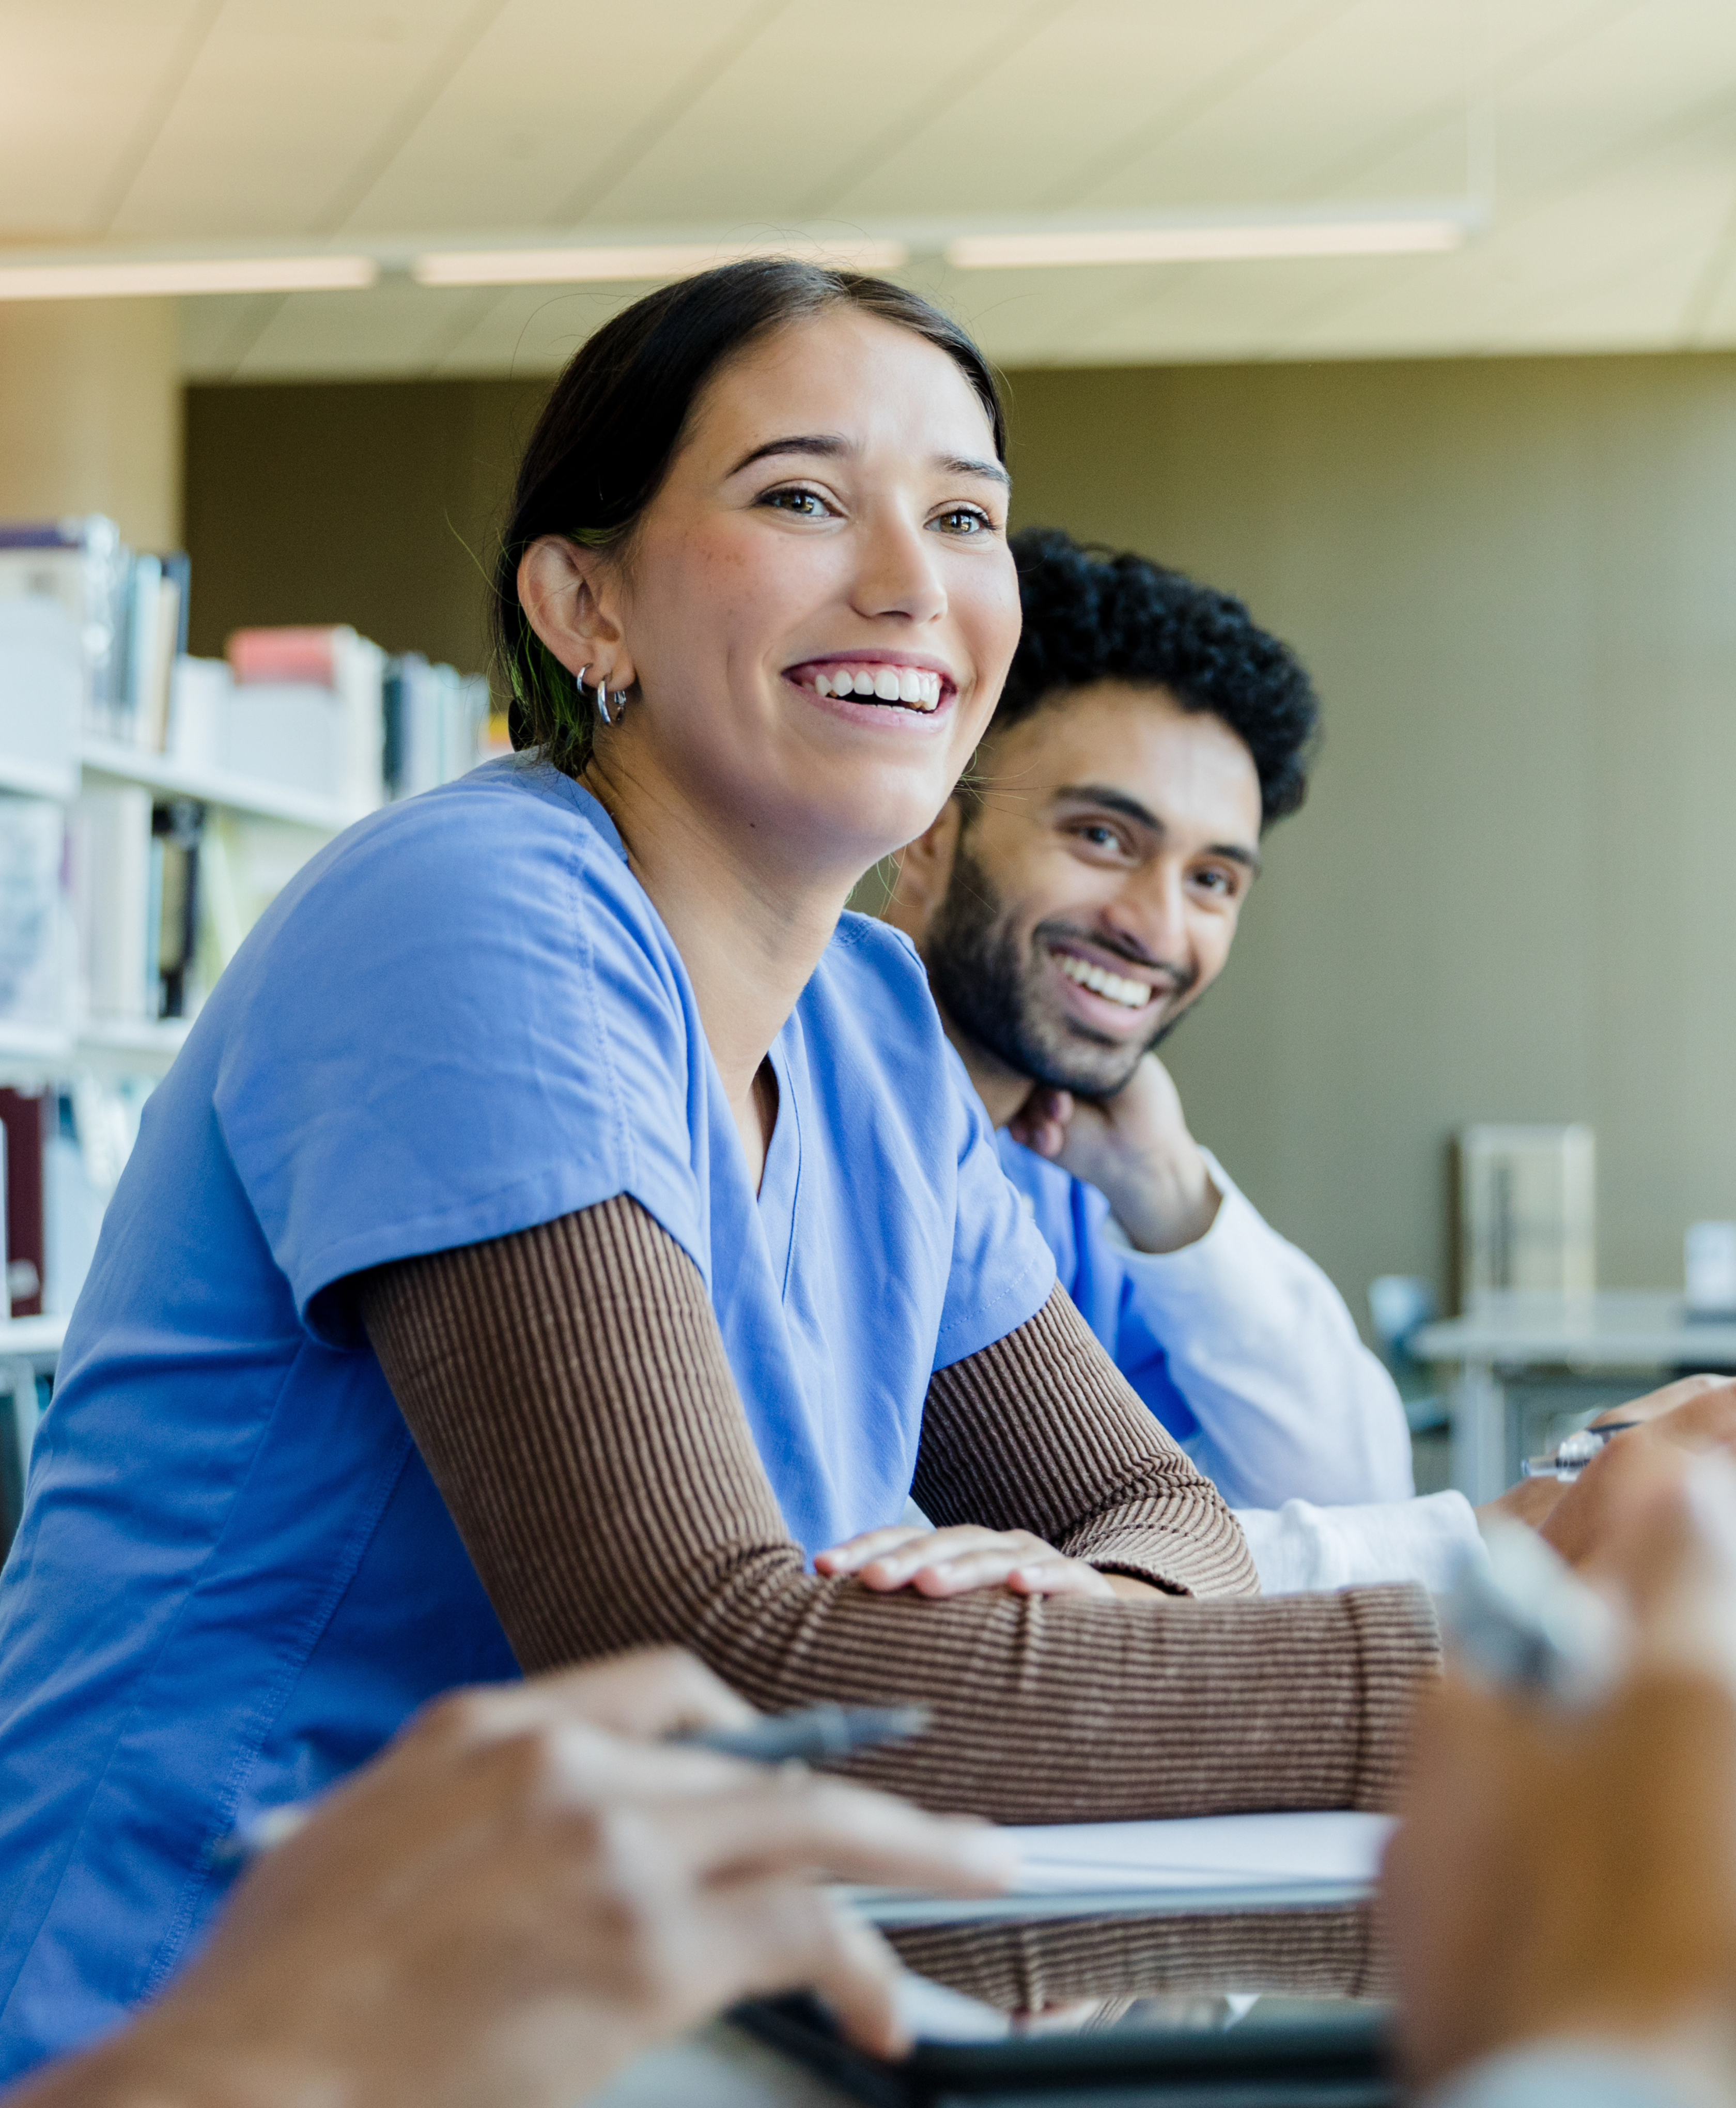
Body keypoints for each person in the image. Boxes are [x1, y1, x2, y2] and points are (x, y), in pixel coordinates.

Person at [0, 259, 1443, 2082]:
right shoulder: (480, 915)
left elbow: (1163, 1518)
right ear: (583, 598)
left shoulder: (870, 1027)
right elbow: (707, 1673)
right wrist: (1545, 1698)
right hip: (215, 2024)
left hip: (615, 2019)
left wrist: (1109, 1632)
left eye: (967, 517)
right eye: (803, 499)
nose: (912, 582)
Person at [875, 533, 1469, 1591]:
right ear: (927, 831)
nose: (1155, 926)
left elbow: (1349, 1488)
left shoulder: (1069, 1178)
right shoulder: (808, 1095)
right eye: (1104, 836)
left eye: (1212, 881)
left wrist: (1168, 1189)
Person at [3, 1649, 1015, 2108]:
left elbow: (1167, 1497)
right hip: (153, 1982)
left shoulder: (947, 1211)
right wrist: (257, 2071)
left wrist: (1119, 1583)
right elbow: (750, 1635)